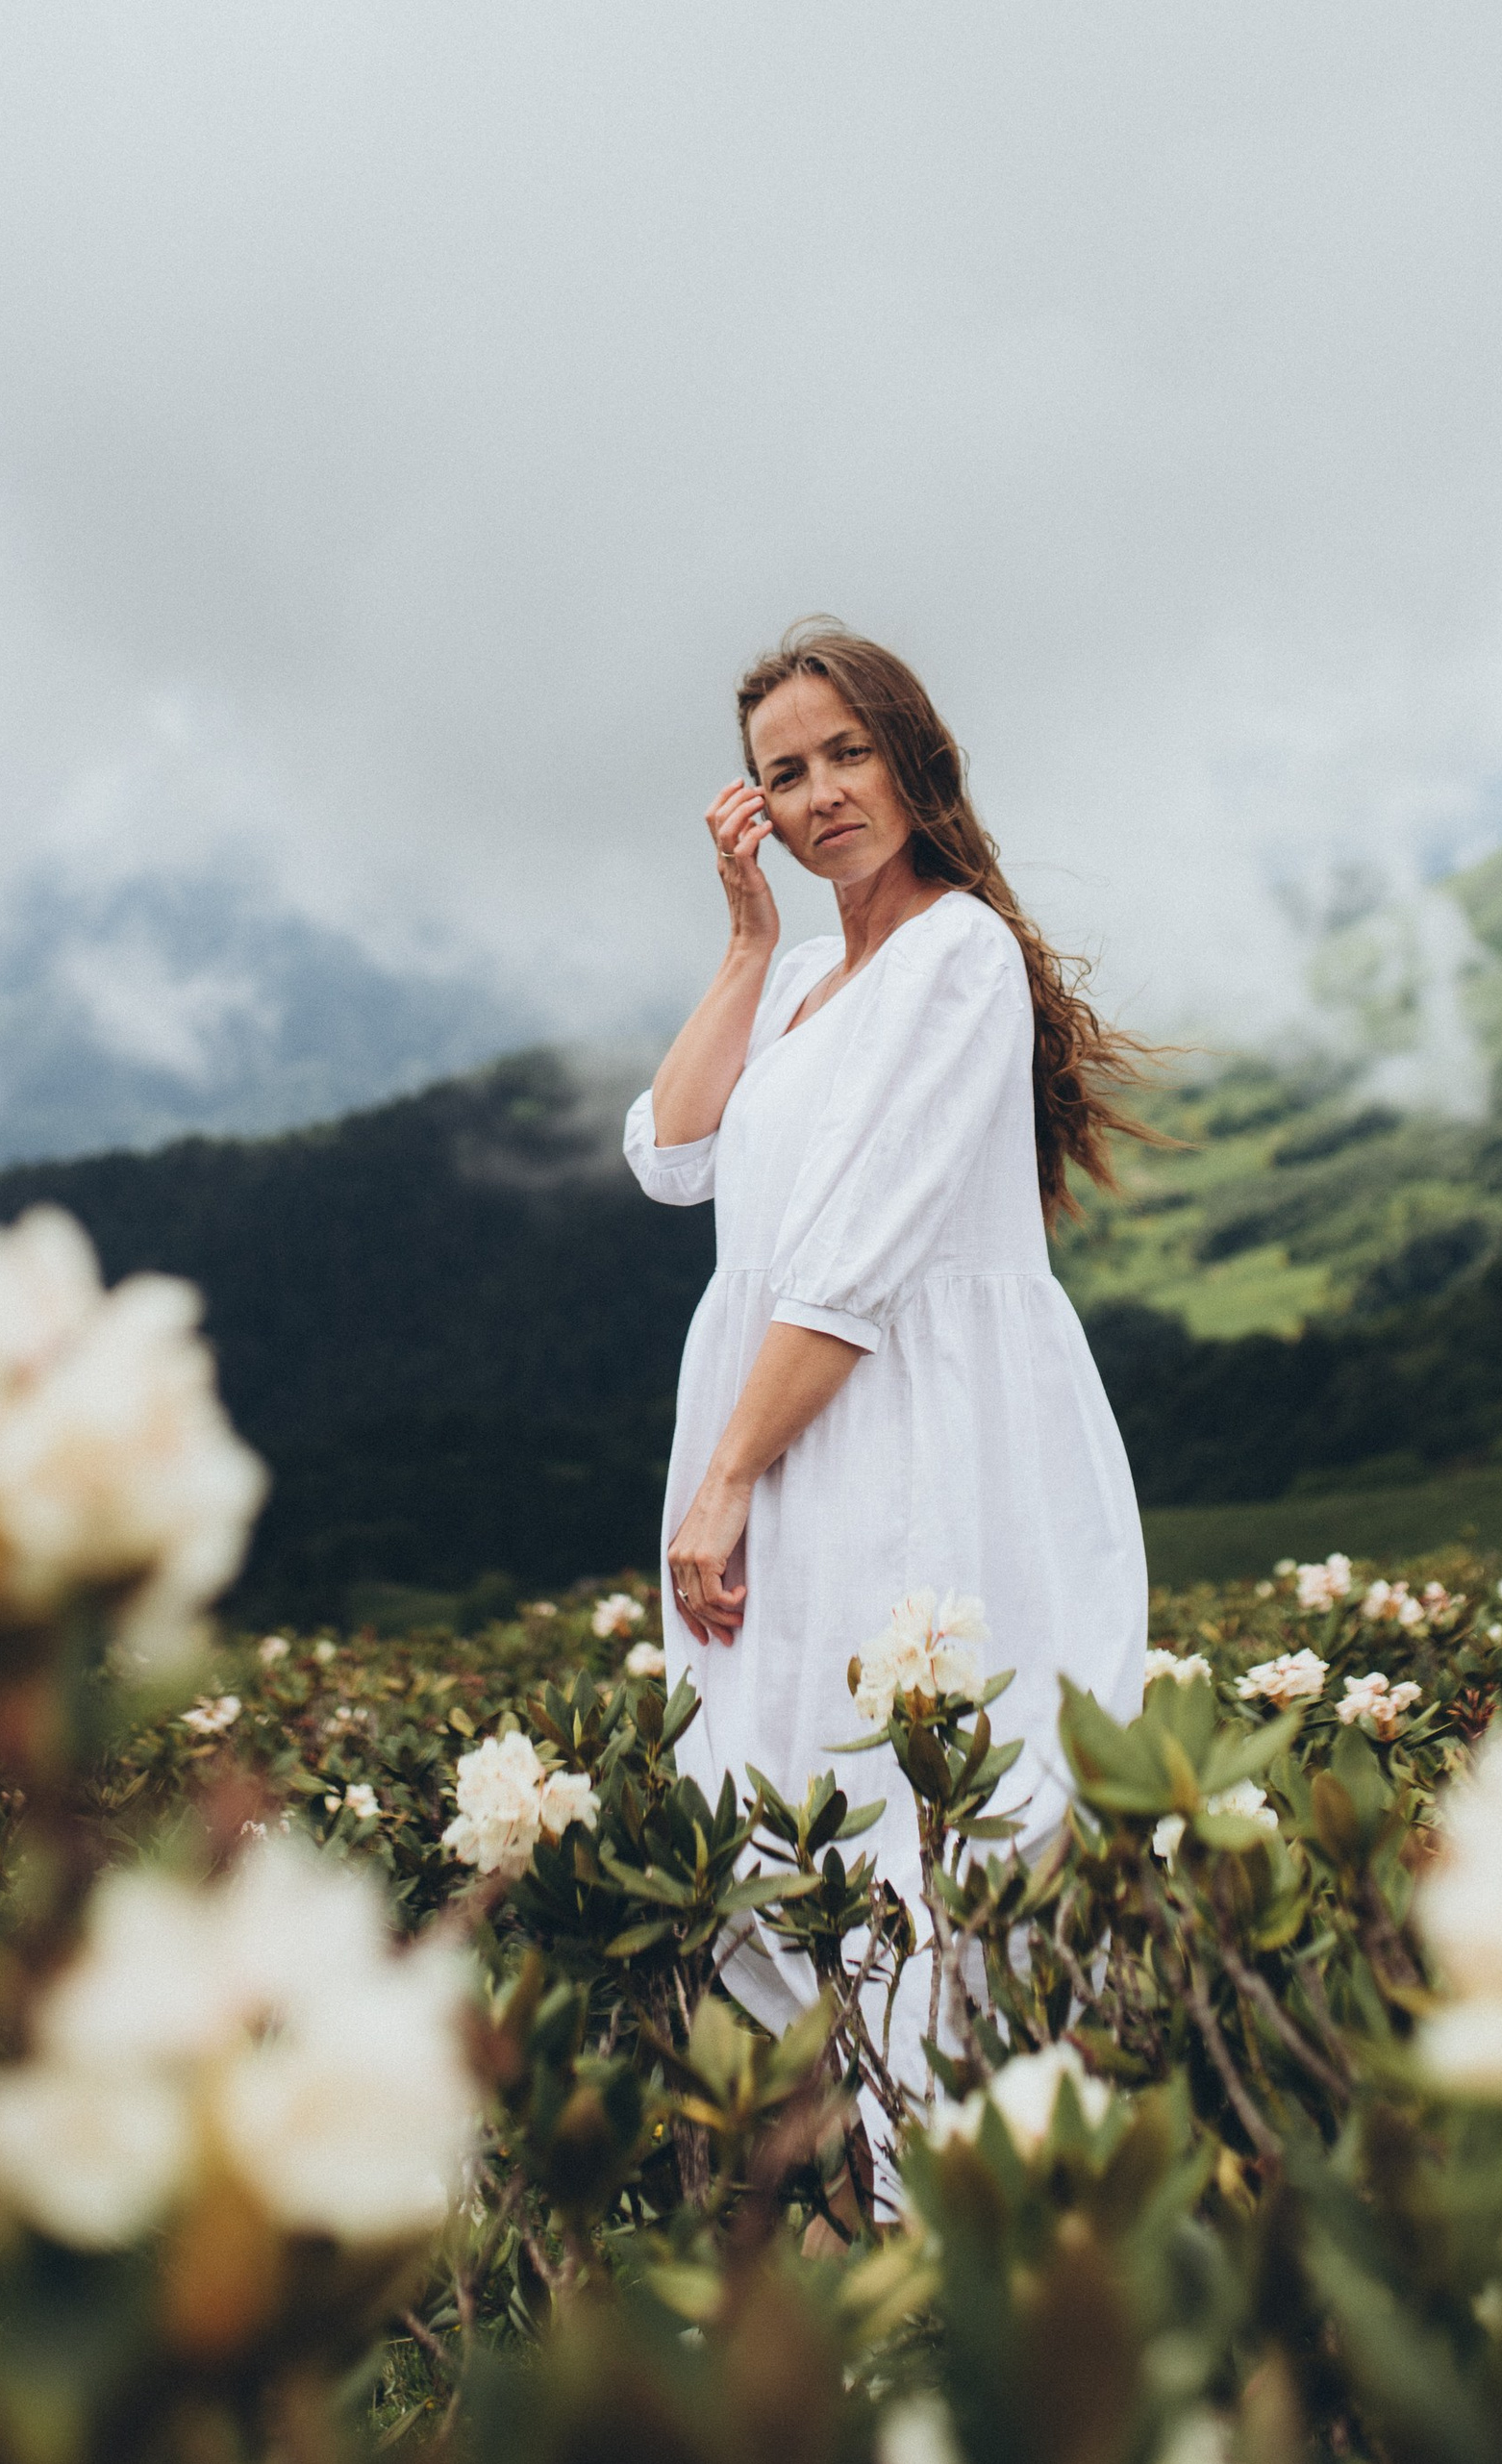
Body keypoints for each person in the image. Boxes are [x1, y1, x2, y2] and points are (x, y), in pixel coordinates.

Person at [621, 619, 1159, 2132]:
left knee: (910, 1804)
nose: (820, 794)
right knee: (792, 1794)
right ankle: (873, 2185)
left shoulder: (960, 954)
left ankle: (964, 2195)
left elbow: (855, 1261)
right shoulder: (793, 976)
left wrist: (726, 1476)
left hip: (903, 1425)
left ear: (913, 754)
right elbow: (669, 1157)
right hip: (796, 1423)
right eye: (782, 774)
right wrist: (738, 944)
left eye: (846, 752)